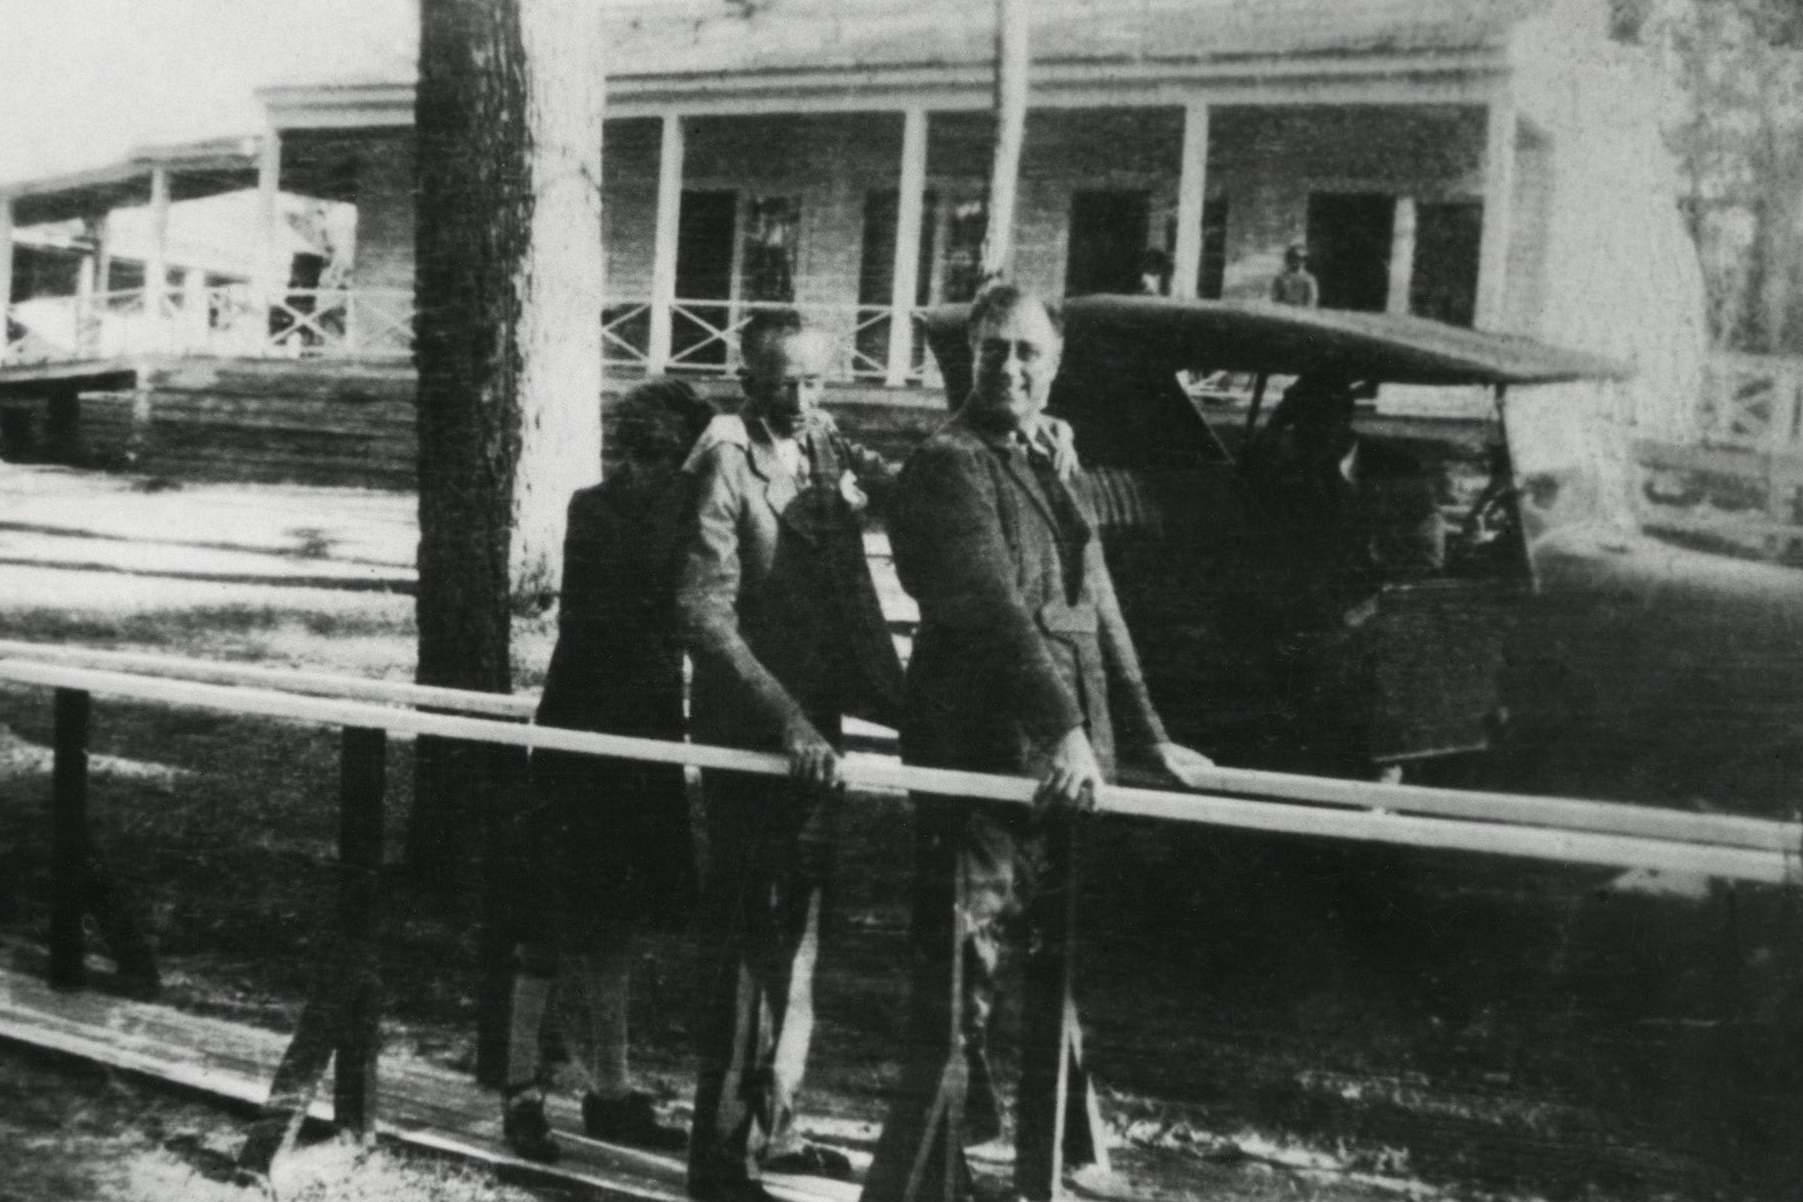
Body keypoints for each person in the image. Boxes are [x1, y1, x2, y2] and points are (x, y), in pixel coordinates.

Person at [859, 286, 1216, 1202]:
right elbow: (989, 609)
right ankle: (922, 1177)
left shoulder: (1050, 458)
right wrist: (1066, 730)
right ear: (970, 360)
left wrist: (1145, 733)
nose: (1008, 369)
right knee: (958, 970)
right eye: (990, 352)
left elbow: (1094, 603)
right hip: (979, 753)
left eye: (1025, 353)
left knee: (1047, 960)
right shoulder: (949, 464)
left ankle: (1045, 1158)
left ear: (1054, 366)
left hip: (1059, 754)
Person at [678, 312, 907, 1202]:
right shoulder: (723, 463)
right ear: (746, 377)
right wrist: (786, 724)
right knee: (747, 936)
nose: (799, 399)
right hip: (752, 732)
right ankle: (723, 1156)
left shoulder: (823, 452)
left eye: (814, 382)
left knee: (799, 933)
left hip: (818, 735)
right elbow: (702, 614)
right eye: (780, 383)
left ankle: (777, 1125)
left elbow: (898, 514)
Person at [501, 379, 717, 1163]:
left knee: (614, 922)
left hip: (647, 726)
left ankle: (610, 1092)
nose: (636, 461)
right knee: (552, 914)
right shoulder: (599, 509)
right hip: (586, 724)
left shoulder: (687, 506)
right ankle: (521, 1088)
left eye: (654, 448)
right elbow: (629, 612)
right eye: (631, 444)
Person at [1248, 376, 1445, 776]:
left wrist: (1360, 614)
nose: (1303, 437)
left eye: (1314, 425)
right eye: (1296, 425)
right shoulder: (1288, 466)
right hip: (1306, 617)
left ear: (1342, 421)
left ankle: (1381, 773)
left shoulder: (1397, 470)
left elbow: (1426, 559)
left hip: (1381, 614)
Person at [1270, 241, 1319, 308]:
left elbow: (1311, 302)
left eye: (1303, 258)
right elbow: (1274, 299)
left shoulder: (1308, 279)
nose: (1300, 261)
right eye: (1296, 258)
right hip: (1283, 312)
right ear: (1289, 259)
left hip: (1302, 313)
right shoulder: (1280, 278)